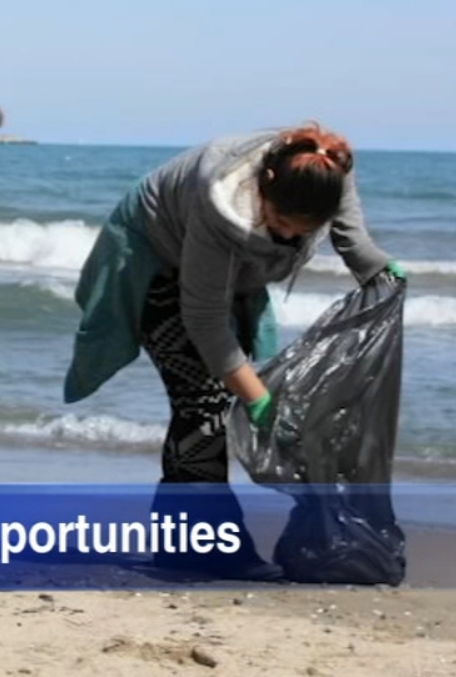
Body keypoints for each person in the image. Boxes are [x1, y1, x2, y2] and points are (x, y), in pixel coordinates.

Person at [64, 123, 404, 580]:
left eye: (300, 233)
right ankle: (202, 547)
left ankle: (181, 541)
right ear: (264, 186)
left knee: (210, 398)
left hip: (225, 270)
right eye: (280, 225)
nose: (286, 238)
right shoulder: (219, 202)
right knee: (202, 400)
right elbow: (204, 320)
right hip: (156, 260)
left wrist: (383, 277)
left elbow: (353, 242)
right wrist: (258, 398)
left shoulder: (326, 172)